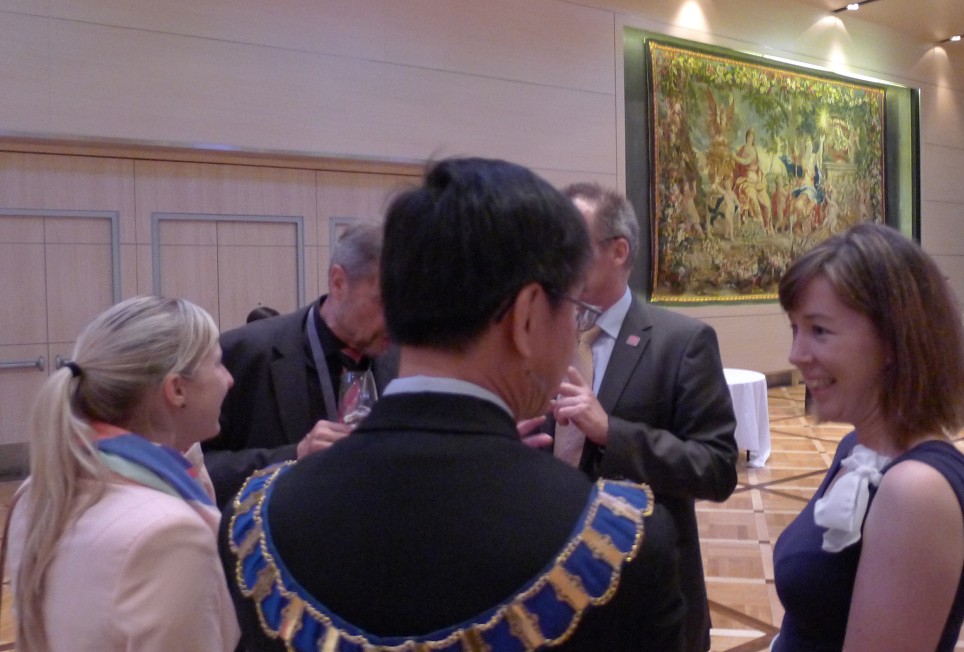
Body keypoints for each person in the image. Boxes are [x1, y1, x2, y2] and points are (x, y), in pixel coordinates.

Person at [219, 157, 685, 651]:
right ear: (528, 315)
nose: (575, 332)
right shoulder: (616, 544)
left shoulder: (256, 521)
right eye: (575, 309)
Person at [772, 223, 964, 650]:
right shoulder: (857, 448)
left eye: (819, 330)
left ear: (892, 340)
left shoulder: (916, 490)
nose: (796, 355)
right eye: (795, 329)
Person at [554, 182, 738, 652]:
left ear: (618, 251)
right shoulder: (542, 336)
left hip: (643, 591)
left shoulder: (682, 342)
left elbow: (717, 468)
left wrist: (610, 433)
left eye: (570, 245)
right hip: (550, 586)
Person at [5, 296, 239, 652]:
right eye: (218, 363)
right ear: (177, 390)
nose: (230, 379)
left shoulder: (42, 488)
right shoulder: (169, 532)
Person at [202, 222, 395, 507]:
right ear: (338, 282)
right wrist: (293, 457)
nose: (398, 318)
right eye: (384, 301)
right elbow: (189, 469)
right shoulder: (242, 354)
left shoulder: (408, 362)